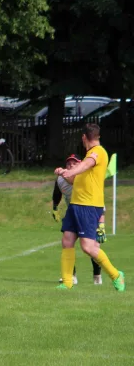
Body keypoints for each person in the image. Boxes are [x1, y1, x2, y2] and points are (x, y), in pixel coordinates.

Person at [55, 123, 124, 291]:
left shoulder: (97, 152)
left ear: (84, 137)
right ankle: (67, 282)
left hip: (89, 205)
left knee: (87, 247)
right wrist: (64, 172)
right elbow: (77, 179)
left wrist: (71, 171)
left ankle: (116, 275)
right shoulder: (87, 156)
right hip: (76, 205)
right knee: (67, 241)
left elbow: (85, 166)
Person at [52, 154, 106, 285]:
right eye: (68, 164)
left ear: (81, 164)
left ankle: (97, 276)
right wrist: (54, 207)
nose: (71, 166)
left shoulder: (87, 176)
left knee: (92, 247)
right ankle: (71, 276)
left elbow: (99, 201)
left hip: (89, 213)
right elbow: (56, 194)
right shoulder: (61, 179)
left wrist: (101, 224)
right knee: (67, 243)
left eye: (74, 163)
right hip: (72, 213)